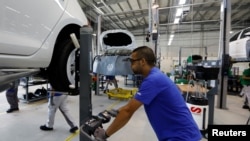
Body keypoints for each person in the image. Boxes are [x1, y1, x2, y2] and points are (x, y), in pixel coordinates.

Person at [94, 46, 202, 141]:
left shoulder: (153, 80)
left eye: (132, 61)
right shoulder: (156, 75)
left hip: (182, 137)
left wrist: (105, 134)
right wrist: (117, 111)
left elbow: (128, 111)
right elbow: (131, 105)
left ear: (142, 61)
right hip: (182, 135)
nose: (130, 65)